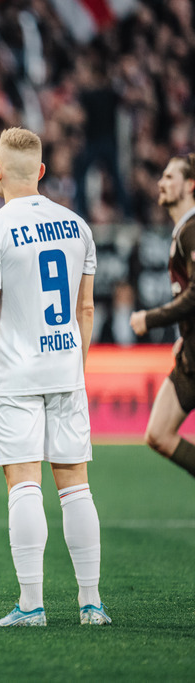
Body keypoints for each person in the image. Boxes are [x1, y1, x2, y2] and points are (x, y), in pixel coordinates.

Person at [0, 127, 110, 627]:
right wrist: (75, 369)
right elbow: (85, 308)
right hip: (65, 370)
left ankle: (32, 605)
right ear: (41, 172)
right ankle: (91, 603)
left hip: (16, 374)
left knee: (23, 485)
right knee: (76, 486)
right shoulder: (78, 226)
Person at [129, 154, 195, 479]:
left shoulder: (192, 231)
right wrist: (186, 335)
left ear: (190, 185)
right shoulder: (183, 231)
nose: (162, 183)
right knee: (158, 435)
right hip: (190, 358)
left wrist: (150, 319)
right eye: (163, 176)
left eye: (171, 177)